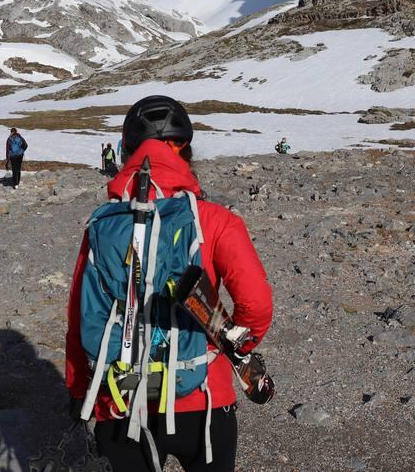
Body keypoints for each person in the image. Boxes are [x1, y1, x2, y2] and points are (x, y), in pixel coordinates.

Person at [65, 96, 273, 472]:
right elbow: (256, 304)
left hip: (121, 397)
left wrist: (81, 390)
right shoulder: (214, 219)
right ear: (184, 152)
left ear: (127, 154)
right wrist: (234, 343)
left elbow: (82, 312)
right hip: (204, 396)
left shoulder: (102, 225)